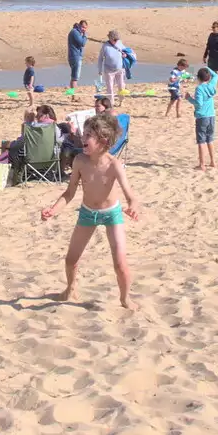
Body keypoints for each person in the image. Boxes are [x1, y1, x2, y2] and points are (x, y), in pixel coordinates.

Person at [40, 113, 142, 310]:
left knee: (120, 264)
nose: (82, 138)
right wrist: (53, 210)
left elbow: (131, 196)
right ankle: (70, 288)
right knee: (71, 259)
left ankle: (125, 298)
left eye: (88, 136)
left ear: (102, 141)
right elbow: (69, 193)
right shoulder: (80, 161)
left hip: (112, 214)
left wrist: (133, 207)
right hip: (87, 213)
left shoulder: (114, 164)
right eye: (83, 133)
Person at [186, 66, 217, 169]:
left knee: (201, 141)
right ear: (208, 78)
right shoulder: (211, 85)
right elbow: (215, 75)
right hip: (211, 116)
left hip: (202, 117)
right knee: (210, 140)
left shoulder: (199, 88)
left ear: (198, 78)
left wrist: (189, 99)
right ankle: (213, 162)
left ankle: (202, 164)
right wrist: (208, 68)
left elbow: (199, 103)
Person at [99, 30, 127, 105]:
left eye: (117, 39)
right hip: (109, 70)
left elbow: (126, 51)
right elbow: (100, 58)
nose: (116, 41)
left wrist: (125, 55)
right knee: (110, 88)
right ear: (110, 38)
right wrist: (100, 70)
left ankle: (121, 101)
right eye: (114, 39)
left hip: (120, 69)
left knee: (121, 86)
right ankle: (111, 104)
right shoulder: (105, 46)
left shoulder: (120, 43)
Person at [67, 21, 88, 90]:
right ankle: (74, 96)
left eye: (85, 28)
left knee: (73, 77)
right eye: (83, 27)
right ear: (79, 25)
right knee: (75, 78)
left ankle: (71, 94)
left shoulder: (76, 32)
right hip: (75, 57)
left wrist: (83, 35)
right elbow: (82, 43)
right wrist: (85, 35)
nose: (84, 29)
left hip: (74, 56)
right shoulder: (75, 32)